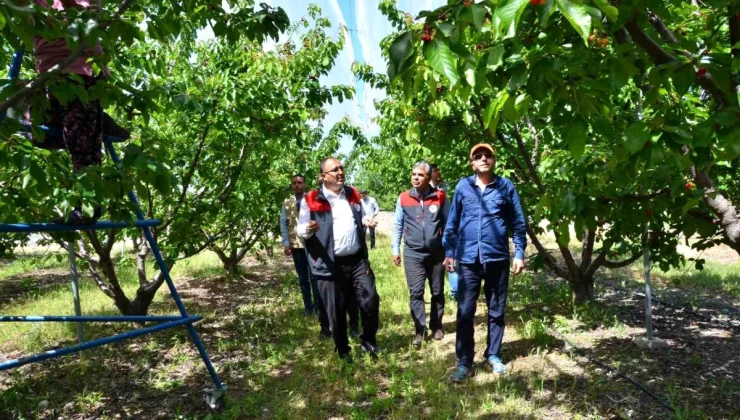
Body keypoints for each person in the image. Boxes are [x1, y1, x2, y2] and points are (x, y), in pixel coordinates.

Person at [443, 143, 527, 382]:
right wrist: (450, 252)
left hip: (497, 259)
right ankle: (464, 362)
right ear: (472, 163)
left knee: (497, 310)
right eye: (478, 156)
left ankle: (493, 355)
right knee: (465, 312)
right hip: (468, 260)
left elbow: (518, 224)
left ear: (494, 160)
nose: (483, 159)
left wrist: (519, 253)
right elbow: (453, 223)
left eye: (487, 155)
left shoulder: (505, 187)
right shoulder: (462, 187)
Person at [297, 157, 381, 362]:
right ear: (323, 177)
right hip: (329, 263)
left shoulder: (352, 193)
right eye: (334, 170)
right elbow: (299, 229)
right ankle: (343, 350)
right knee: (336, 310)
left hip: (357, 260)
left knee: (370, 299)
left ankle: (368, 341)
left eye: (341, 168)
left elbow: (357, 216)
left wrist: (366, 220)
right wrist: (308, 229)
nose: (340, 172)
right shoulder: (310, 199)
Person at [391, 162, 448, 348]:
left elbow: (449, 224)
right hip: (412, 254)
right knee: (416, 292)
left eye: (420, 175)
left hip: (437, 254)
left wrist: (451, 250)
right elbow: (398, 225)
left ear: (429, 177)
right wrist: (395, 249)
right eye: (413, 174)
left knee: (437, 291)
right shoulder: (403, 198)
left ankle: (436, 325)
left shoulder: (440, 197)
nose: (415, 177)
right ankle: (419, 330)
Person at [280, 175, 330, 333]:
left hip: (311, 244)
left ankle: (318, 307)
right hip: (296, 245)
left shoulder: (311, 199)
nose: (297, 185)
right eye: (294, 183)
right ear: (291, 186)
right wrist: (286, 243)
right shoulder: (287, 203)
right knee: (303, 278)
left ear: (304, 184)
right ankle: (308, 307)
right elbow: (283, 223)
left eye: (300, 183)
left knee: (314, 276)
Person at [430, 163, 458, 300]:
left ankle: (455, 293)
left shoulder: (445, 188)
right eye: (436, 170)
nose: (438, 172)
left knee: (452, 259)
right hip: (431, 237)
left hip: (446, 233)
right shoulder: (421, 191)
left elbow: (451, 213)